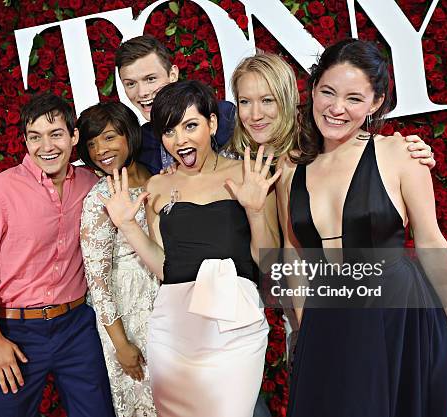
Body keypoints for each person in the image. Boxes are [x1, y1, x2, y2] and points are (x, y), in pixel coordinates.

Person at [271, 39, 447, 416]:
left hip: (398, 319)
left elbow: (432, 244)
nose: (337, 109)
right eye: (328, 92)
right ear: (313, 89)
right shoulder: (291, 169)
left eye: (354, 98)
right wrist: (304, 330)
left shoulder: (400, 154)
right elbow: (295, 255)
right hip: (328, 320)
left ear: (376, 103)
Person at [227, 52, 438, 368]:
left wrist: (413, 153)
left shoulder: (313, 145)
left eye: (267, 100)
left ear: (287, 99)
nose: (256, 114)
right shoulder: (241, 159)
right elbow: (275, 259)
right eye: (245, 102)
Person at [99, 80, 279, 417]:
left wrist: (255, 210)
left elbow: (268, 264)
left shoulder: (248, 175)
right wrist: (127, 224)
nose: (179, 139)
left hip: (234, 326)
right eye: (169, 131)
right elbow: (164, 266)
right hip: (174, 328)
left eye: (190, 125)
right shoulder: (158, 185)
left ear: (212, 124)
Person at [0, 93, 116, 417]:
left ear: (73, 136)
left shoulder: (91, 184)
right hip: (17, 332)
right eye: (35, 137)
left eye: (56, 134)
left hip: (77, 327)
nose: (47, 146)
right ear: (25, 142)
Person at [77, 102, 159, 417]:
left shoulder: (159, 178)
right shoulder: (99, 197)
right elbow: (97, 281)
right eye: (92, 143)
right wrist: (121, 343)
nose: (100, 150)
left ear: (129, 135)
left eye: (109, 137)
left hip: (168, 307)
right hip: (127, 314)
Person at [115, 35, 236, 174]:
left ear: (173, 74)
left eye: (150, 79)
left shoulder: (224, 114)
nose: (142, 92)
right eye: (131, 84)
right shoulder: (143, 140)